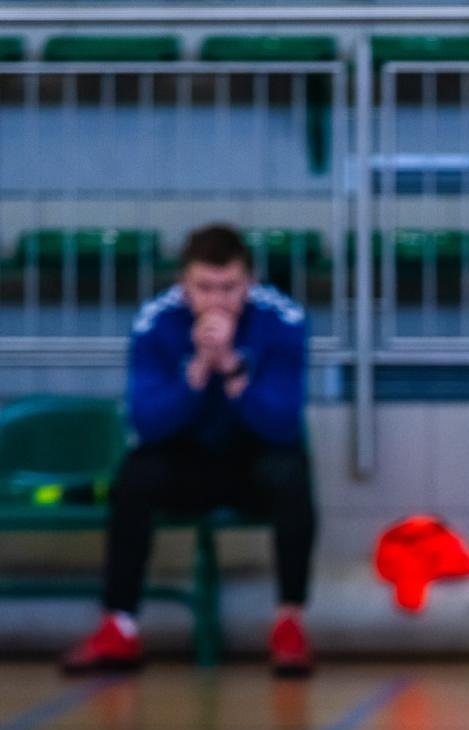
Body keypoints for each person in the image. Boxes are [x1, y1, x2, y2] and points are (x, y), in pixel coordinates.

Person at [61, 224, 316, 676]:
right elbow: (146, 423)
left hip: (253, 456)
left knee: (293, 476)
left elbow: (281, 423)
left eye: (229, 288)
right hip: (187, 457)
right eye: (204, 288)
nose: (216, 300)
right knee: (135, 478)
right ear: (184, 286)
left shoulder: (284, 320)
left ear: (250, 283)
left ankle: (289, 625)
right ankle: (119, 627)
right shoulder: (155, 322)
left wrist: (233, 369)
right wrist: (198, 370)